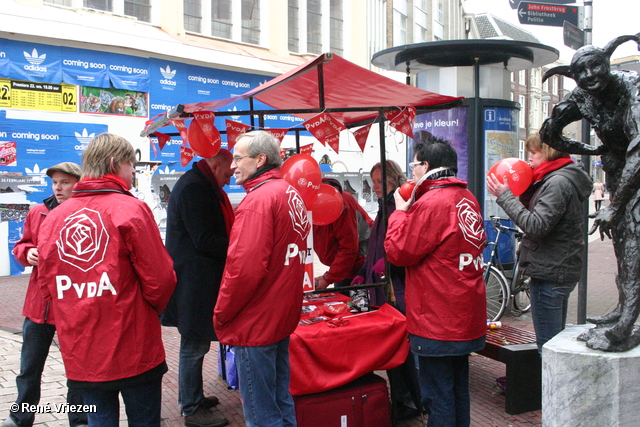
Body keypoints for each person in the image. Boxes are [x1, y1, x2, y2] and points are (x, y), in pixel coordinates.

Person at [36, 133, 177, 427]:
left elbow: (47, 286)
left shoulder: (55, 217)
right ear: (115, 163)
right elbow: (161, 278)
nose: (134, 172)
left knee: (98, 420)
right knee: (145, 420)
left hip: (83, 346)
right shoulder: (131, 208)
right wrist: (149, 308)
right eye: (132, 165)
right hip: (133, 341)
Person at [539, 34, 640, 349]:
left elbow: (639, 149)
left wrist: (614, 205)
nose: (589, 76)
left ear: (607, 61)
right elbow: (549, 132)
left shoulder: (633, 89)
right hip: (618, 172)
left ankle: (625, 325)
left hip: (636, 171)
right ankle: (624, 306)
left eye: (595, 66)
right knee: (622, 241)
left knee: (634, 236)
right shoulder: (582, 96)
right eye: (580, 72)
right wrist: (593, 150)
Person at [385, 137, 486, 427]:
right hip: (464, 313)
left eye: (414, 165)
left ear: (426, 166)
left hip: (437, 317)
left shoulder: (431, 202)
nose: (412, 172)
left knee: (438, 396)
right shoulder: (467, 197)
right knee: (456, 391)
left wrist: (400, 213)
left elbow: (398, 251)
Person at [213, 131, 310, 427]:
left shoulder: (259, 201)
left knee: (262, 415)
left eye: (238, 158)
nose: (232, 166)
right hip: (279, 316)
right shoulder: (289, 193)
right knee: (280, 401)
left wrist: (222, 313)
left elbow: (243, 270)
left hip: (257, 323)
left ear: (260, 159)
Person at [487, 133, 592, 352]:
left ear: (549, 152)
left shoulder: (557, 183)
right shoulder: (557, 179)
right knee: (555, 341)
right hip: (556, 267)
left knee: (549, 346)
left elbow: (536, 225)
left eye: (534, 153)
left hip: (551, 271)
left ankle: (549, 386)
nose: (530, 160)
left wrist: (505, 197)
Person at [4, 163, 87, 427]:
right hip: (38, 308)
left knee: (77, 371)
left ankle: (80, 420)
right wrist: (26, 253)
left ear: (78, 182)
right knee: (29, 369)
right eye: (55, 183)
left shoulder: (86, 213)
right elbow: (22, 244)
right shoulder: (38, 211)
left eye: (65, 182)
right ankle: (20, 418)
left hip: (72, 307)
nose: (58, 187)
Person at [161, 149, 234, 427]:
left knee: (197, 342)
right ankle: (191, 408)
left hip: (198, 279)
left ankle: (194, 396)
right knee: (194, 344)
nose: (228, 180)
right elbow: (204, 239)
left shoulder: (199, 182)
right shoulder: (195, 187)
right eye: (227, 174)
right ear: (215, 167)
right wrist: (241, 249)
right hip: (194, 282)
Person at [351, 161, 421, 420]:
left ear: (393, 179)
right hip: (381, 286)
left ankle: (412, 400)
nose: (376, 186)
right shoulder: (383, 208)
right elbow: (375, 249)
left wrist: (387, 263)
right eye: (374, 181)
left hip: (396, 290)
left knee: (401, 350)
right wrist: (362, 272)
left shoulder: (398, 207)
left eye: (381, 181)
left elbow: (404, 247)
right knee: (393, 350)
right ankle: (403, 398)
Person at [313, 177, 372, 291]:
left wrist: (328, 278)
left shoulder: (339, 204)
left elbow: (348, 248)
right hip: (342, 266)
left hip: (359, 265)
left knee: (352, 304)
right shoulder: (313, 200)